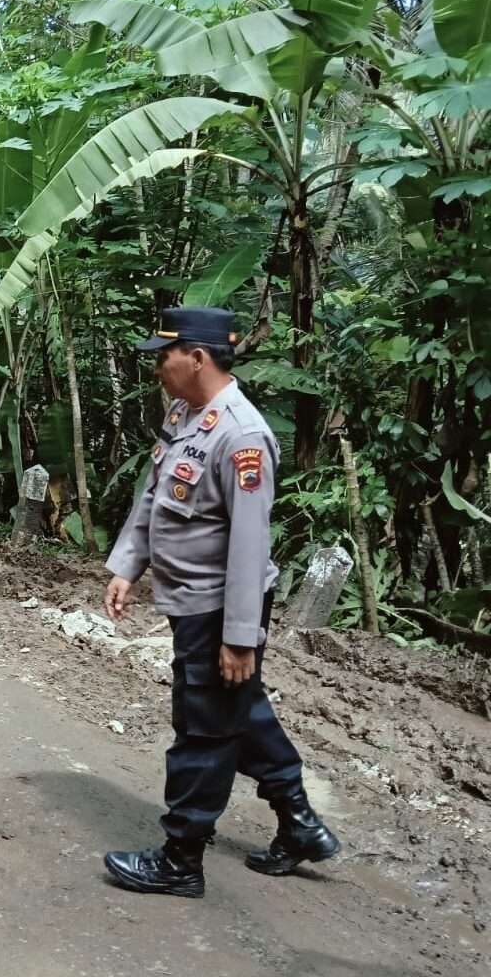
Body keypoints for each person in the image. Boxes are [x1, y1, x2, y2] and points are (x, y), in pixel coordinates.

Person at [102, 307, 339, 899]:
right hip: (191, 602)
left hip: (219, 608)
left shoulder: (242, 436)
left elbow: (250, 545)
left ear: (197, 358)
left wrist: (239, 636)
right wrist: (128, 566)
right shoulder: (185, 415)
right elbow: (155, 495)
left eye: (165, 354)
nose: (158, 366)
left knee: (203, 730)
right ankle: (300, 825)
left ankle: (181, 858)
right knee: (242, 711)